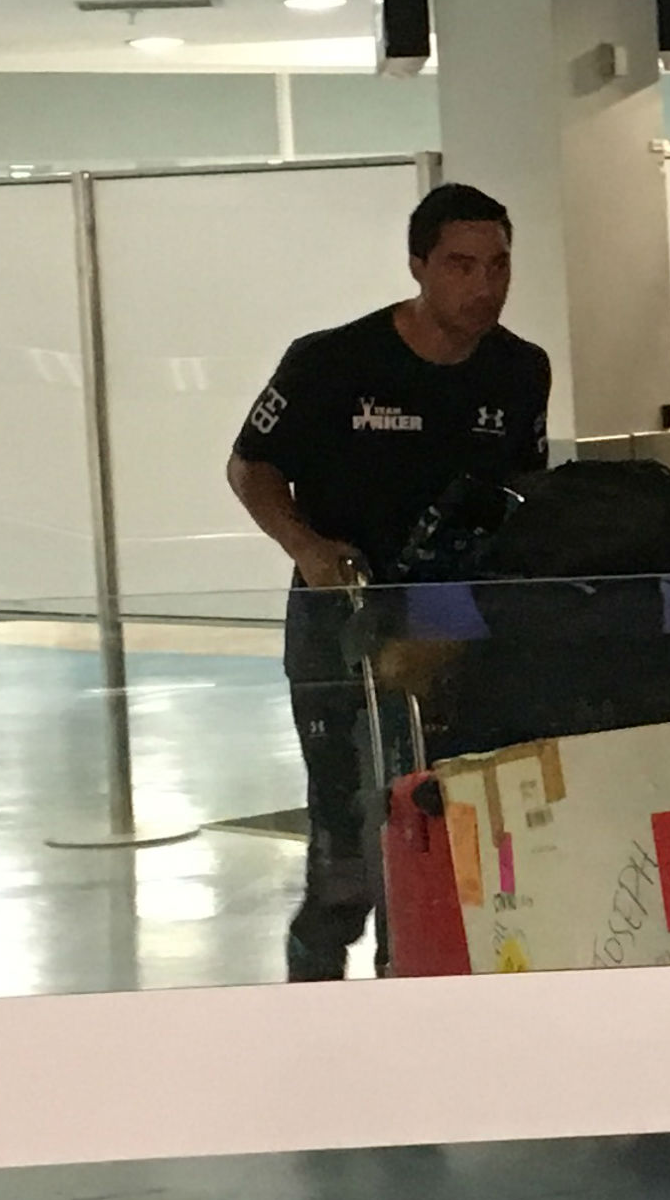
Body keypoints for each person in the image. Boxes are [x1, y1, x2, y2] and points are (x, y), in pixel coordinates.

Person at [227, 183, 553, 981]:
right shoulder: (331, 362)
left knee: (448, 827)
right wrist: (306, 546)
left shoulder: (520, 371)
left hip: (457, 627)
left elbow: (524, 493)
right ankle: (318, 985)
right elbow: (251, 466)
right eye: (461, 266)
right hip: (342, 626)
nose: (484, 286)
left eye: (499, 266)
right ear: (418, 265)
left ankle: (415, 986)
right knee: (347, 841)